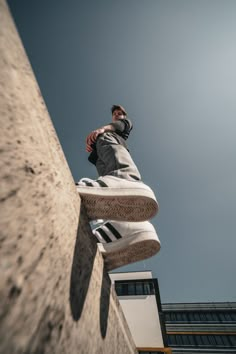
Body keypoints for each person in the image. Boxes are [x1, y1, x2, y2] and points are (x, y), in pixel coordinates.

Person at [76, 105, 160, 270]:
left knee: (106, 138)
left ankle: (125, 177)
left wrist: (104, 129)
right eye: (115, 114)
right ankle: (128, 226)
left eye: (119, 113)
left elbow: (120, 126)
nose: (117, 115)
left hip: (115, 148)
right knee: (106, 178)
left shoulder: (122, 124)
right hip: (106, 156)